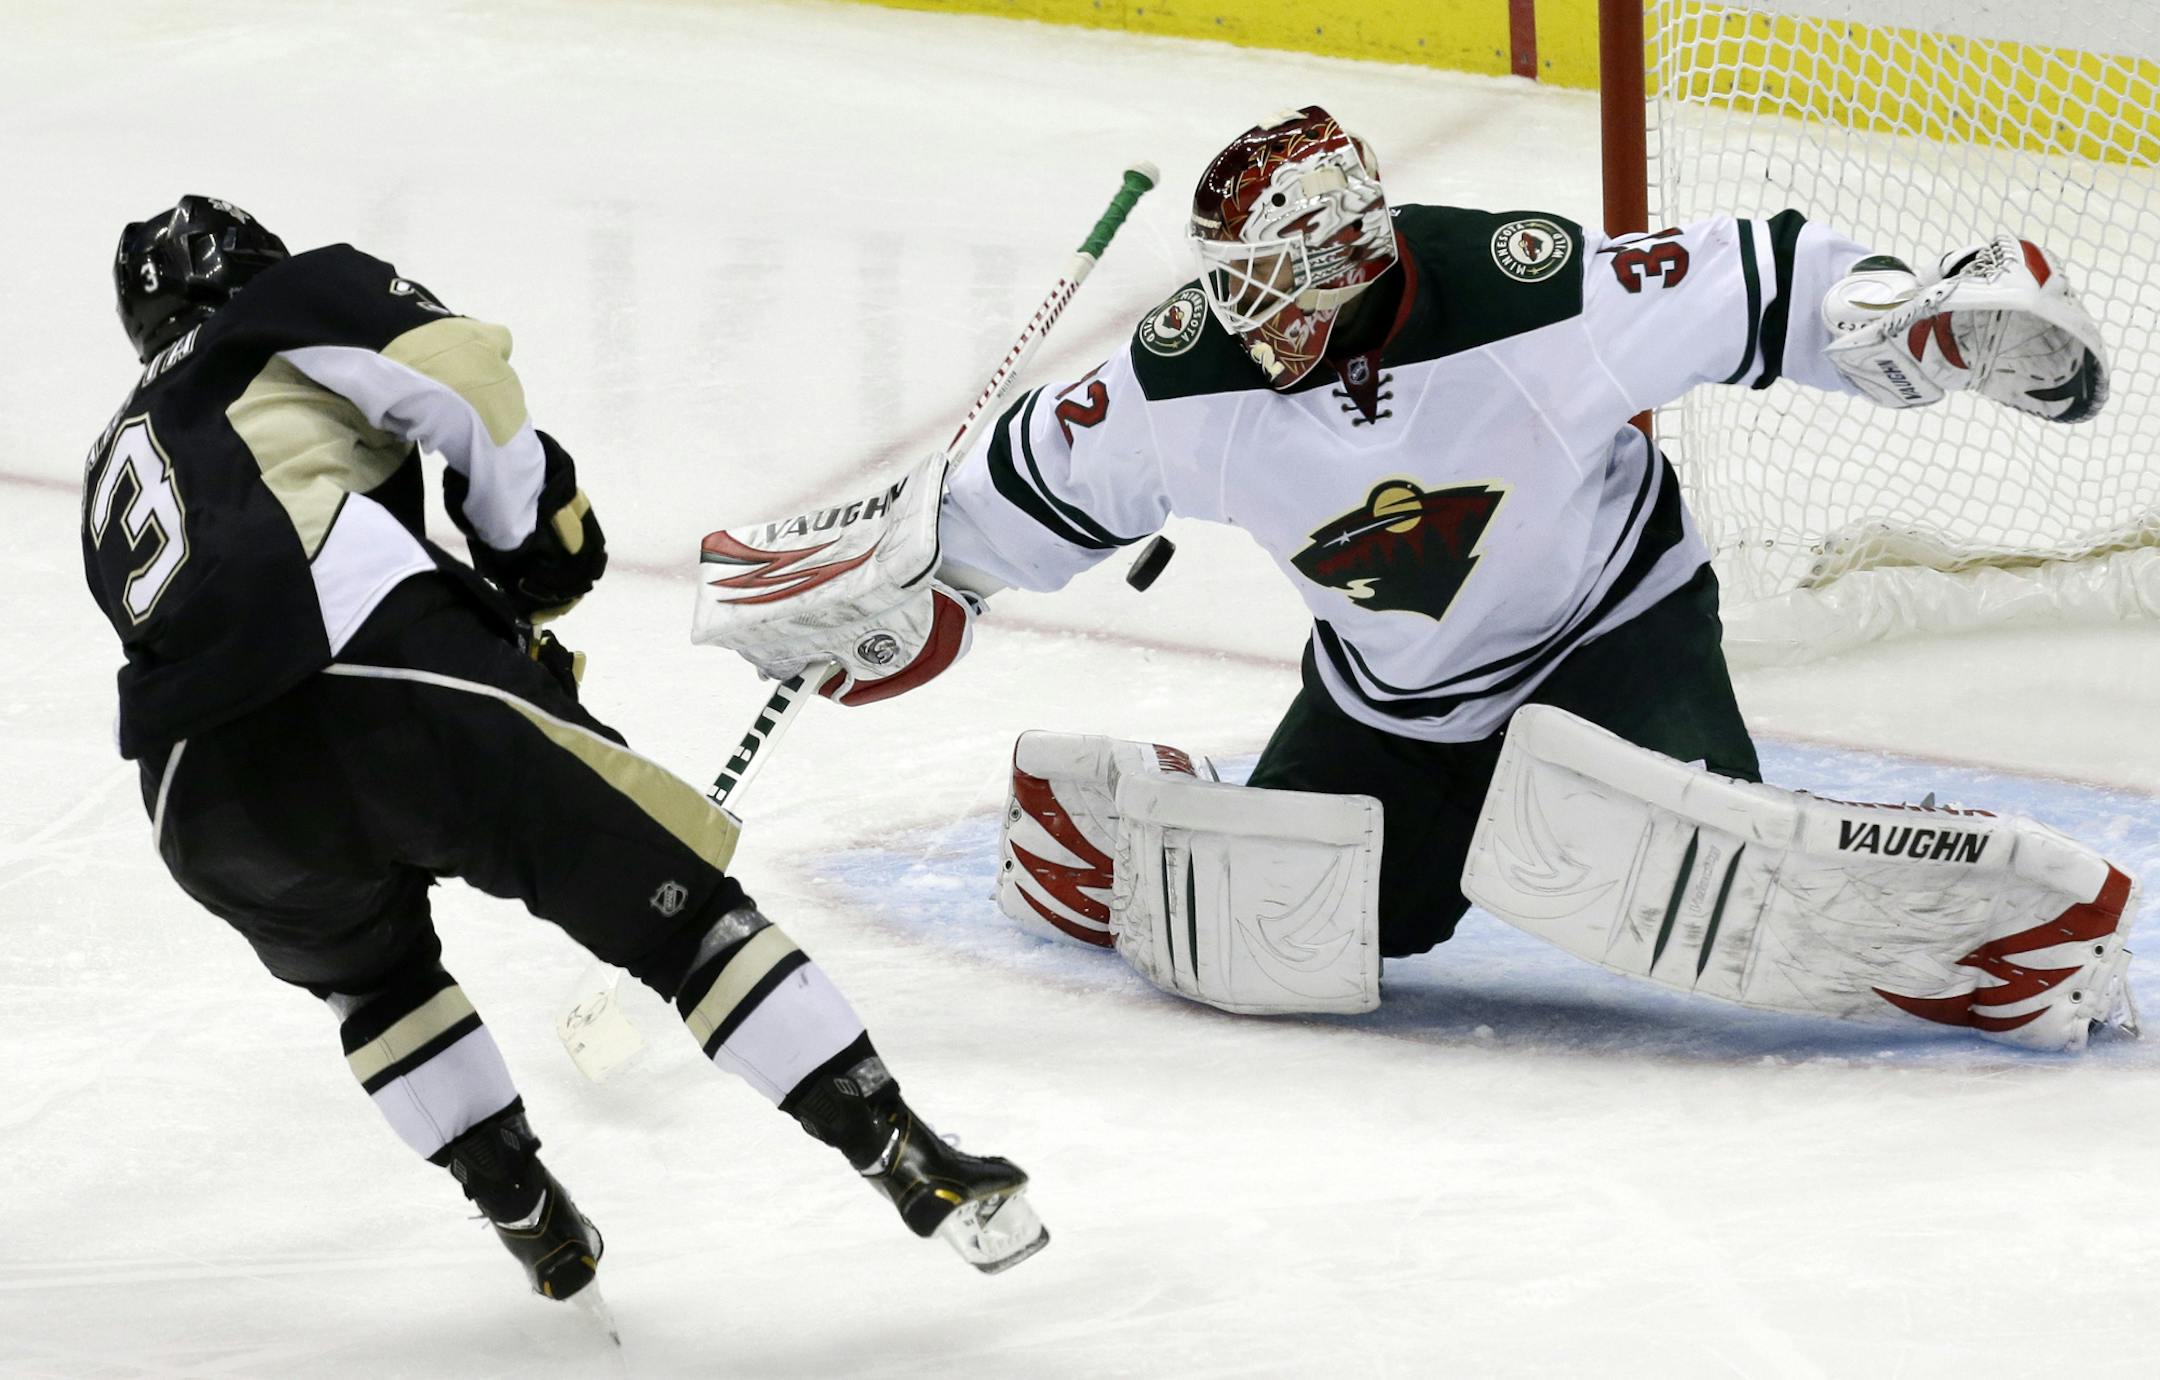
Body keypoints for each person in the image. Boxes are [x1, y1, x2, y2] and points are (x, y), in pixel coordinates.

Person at [692, 107, 2136, 1053]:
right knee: (1303, 937)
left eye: (1269, 288)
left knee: (1688, 861)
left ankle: (1911, 869)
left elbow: (1755, 279)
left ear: (1351, 260)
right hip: (1393, 697)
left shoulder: (1525, 295)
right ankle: (1123, 827)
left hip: (1611, 632)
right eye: (1226, 285)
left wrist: (1907, 318)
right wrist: (906, 586)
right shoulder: (1181, 381)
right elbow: (1022, 489)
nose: (1235, 318)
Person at [81, 197, 1047, 1305]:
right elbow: (454, 370)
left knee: (377, 983)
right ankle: (899, 1149)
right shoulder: (284, 302)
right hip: (372, 683)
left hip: (197, 800)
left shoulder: (128, 441)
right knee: (681, 920)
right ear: (252, 268)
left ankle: (527, 1214)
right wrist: (523, 531)